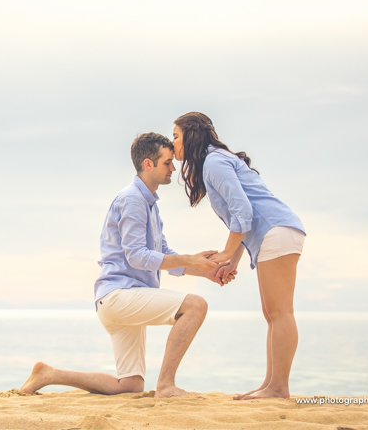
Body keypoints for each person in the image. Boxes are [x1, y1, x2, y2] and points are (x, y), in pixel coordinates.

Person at [20, 132, 234, 398]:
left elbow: (163, 254)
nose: (173, 167)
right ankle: (166, 385)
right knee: (195, 306)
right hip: (120, 295)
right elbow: (137, 257)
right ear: (148, 164)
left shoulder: (149, 203)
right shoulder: (132, 199)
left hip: (121, 300)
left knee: (130, 385)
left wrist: (207, 272)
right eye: (167, 162)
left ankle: (50, 374)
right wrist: (189, 260)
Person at [172, 112, 306, 400]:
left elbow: (242, 211)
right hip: (274, 233)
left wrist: (226, 252)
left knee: (280, 313)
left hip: (277, 231)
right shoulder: (214, 162)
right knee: (272, 314)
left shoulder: (214, 162)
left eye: (175, 136)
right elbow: (244, 218)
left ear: (191, 136)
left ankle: (278, 388)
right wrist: (231, 260)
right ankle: (270, 384)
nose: (173, 144)